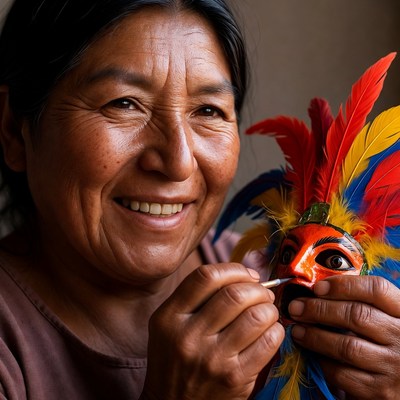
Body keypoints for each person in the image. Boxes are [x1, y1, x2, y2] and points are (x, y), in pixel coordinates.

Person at [0, 1, 398, 400]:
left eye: (208, 110)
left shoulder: (277, 274)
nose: (177, 162)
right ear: (14, 131)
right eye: (123, 103)